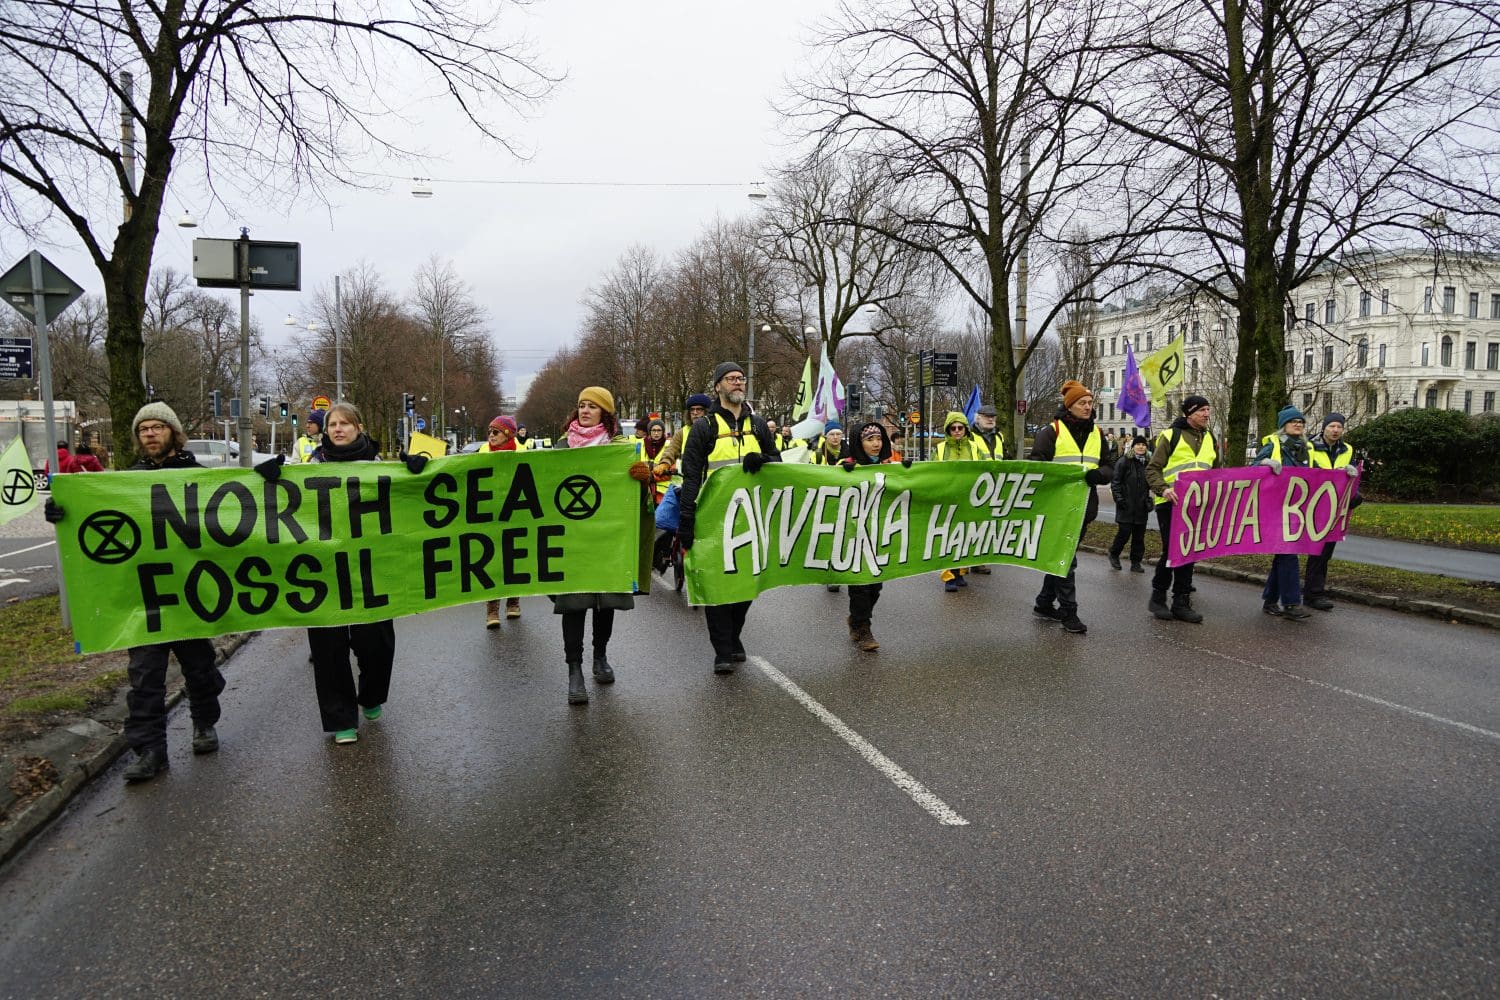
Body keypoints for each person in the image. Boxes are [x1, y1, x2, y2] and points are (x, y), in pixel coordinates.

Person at [46, 403, 225, 782]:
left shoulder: (197, 476)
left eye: (157, 426)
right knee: (145, 677)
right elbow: (99, 521)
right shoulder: (127, 480)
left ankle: (204, 724)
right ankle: (150, 751)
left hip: (190, 594)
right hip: (145, 598)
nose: (149, 433)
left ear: (173, 433)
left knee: (200, 667)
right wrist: (64, 512)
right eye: (143, 428)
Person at [300, 402, 399, 742]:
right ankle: (341, 719)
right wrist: (267, 479)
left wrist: (415, 472)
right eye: (332, 424)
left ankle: (371, 695)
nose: (338, 429)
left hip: (370, 568)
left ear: (359, 427)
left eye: (345, 423)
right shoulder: (306, 471)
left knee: (376, 644)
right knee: (328, 647)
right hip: (323, 570)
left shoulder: (379, 467)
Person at [676, 361, 782, 673]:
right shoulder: (704, 428)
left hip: (750, 518)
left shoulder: (758, 424)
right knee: (718, 584)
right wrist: (687, 517)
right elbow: (692, 475)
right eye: (730, 379)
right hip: (714, 519)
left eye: (741, 378)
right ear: (718, 386)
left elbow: (777, 462)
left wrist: (762, 458)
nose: (737, 383)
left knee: (747, 585)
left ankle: (734, 635)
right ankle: (722, 649)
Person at [552, 387, 655, 703]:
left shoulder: (621, 449)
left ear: (605, 414)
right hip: (573, 539)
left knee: (605, 600)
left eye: (592, 407)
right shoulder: (560, 447)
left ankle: (600, 656)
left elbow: (638, 503)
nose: (584, 410)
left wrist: (642, 480)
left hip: (608, 539)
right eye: (581, 405)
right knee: (574, 604)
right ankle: (574, 670)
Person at [1030, 381, 1112, 634]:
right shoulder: (1051, 432)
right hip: (1057, 508)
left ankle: (1044, 602)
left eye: (1090, 403)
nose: (1088, 407)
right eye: (1082, 403)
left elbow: (1110, 466)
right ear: (1069, 406)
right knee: (1066, 559)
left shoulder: (1098, 434)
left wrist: (1098, 475)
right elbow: (1037, 467)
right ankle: (1069, 612)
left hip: (1085, 507)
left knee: (1061, 557)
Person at [1146, 395, 1221, 623]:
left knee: (1190, 550)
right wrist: (1164, 489)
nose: (1207, 414)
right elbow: (1152, 470)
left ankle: (1181, 601)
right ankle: (1158, 598)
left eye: (1208, 409)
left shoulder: (1210, 438)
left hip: (1197, 505)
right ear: (1189, 413)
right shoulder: (1171, 436)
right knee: (1172, 550)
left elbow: (1217, 472)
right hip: (1170, 503)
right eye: (1202, 411)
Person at [839, 422, 901, 651]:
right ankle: (863, 627)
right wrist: (842, 476)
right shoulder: (845, 466)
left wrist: (907, 472)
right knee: (860, 585)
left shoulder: (890, 466)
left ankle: (856, 620)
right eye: (869, 440)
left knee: (876, 585)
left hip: (880, 533)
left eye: (879, 439)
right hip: (854, 535)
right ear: (859, 443)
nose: (876, 444)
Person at [1255, 405, 1313, 620]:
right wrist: (1265, 463)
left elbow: (1319, 473)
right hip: (1276, 508)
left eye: (1300, 421)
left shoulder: (1308, 448)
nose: (1298, 424)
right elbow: (1252, 468)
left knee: (1283, 554)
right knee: (1288, 552)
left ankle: (1270, 600)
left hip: (1298, 508)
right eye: (1292, 421)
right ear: (1283, 426)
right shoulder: (1274, 445)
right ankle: (1291, 603)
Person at [1305, 412, 1362, 610]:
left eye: (1339, 427)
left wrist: (1354, 491)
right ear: (1324, 428)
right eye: (1332, 426)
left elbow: (1352, 477)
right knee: (1297, 552)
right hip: (1311, 505)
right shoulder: (1310, 447)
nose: (1335, 430)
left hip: (1334, 508)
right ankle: (1290, 595)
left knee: (1324, 551)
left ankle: (1314, 593)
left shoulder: (1347, 449)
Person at [479, 415, 524, 627]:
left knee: (514, 559)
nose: (490, 436)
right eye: (489, 431)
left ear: (507, 433)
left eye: (495, 431)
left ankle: (513, 602)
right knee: (491, 561)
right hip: (489, 516)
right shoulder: (482, 453)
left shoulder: (522, 454)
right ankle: (492, 610)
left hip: (516, 515)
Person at [935, 411, 983, 591]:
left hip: (970, 499)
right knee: (948, 537)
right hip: (947, 499)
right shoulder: (940, 449)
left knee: (966, 536)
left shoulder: (975, 448)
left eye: (960, 427)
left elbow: (986, 469)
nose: (956, 431)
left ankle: (960, 572)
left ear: (965, 429)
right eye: (953, 428)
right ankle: (949, 576)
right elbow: (930, 472)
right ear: (948, 429)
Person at [967, 405, 1005, 574]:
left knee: (985, 526)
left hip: (994, 487)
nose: (990, 419)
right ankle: (964, 560)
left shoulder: (1000, 437)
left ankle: (978, 560)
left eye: (993, 417)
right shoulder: (969, 437)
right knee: (970, 525)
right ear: (977, 418)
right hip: (973, 487)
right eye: (986, 416)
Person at [1108, 435, 1152, 572]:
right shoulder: (1124, 461)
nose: (1141, 447)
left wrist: (1149, 500)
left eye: (1143, 445)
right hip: (1126, 505)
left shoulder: (1148, 463)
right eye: (1138, 444)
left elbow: (1151, 483)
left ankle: (1136, 563)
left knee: (1139, 537)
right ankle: (1114, 554)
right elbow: (1115, 482)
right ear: (1133, 446)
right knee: (1124, 533)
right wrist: (1119, 499)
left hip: (1141, 507)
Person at [651, 393, 712, 480]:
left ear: (706, 411)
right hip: (690, 481)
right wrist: (664, 463)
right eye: (692, 410)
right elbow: (671, 450)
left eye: (699, 409)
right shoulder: (682, 432)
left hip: (713, 481)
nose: (695, 413)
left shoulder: (715, 429)